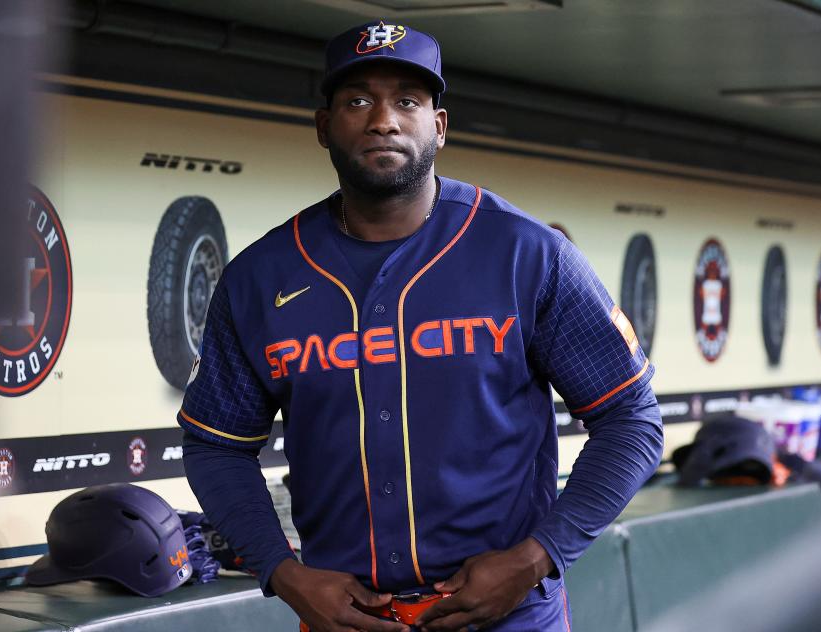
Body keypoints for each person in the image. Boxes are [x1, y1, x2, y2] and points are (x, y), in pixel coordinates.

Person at [179, 21, 663, 632]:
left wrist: (537, 557)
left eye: (408, 101)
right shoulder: (259, 276)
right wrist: (283, 571)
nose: (384, 120)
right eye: (358, 100)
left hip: (507, 617)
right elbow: (215, 445)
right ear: (324, 127)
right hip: (347, 620)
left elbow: (632, 420)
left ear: (439, 125)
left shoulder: (525, 253)